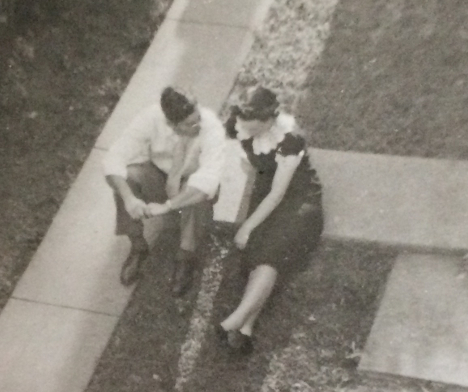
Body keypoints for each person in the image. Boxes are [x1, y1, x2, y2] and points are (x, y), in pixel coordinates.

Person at [216, 86, 323, 354]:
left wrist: (247, 227)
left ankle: (235, 320)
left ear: (270, 120)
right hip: (265, 192)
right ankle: (245, 328)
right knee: (258, 255)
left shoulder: (290, 139)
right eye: (241, 122)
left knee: (271, 253)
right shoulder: (238, 124)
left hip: (298, 201)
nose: (243, 128)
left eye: (252, 127)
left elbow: (278, 194)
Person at [103, 86, 225, 297]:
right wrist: (129, 198)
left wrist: (167, 207)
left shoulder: (211, 127)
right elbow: (113, 157)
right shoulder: (150, 118)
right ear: (171, 123)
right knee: (129, 177)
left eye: (197, 117)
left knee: (197, 190)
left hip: (191, 183)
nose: (198, 124)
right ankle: (138, 247)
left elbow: (207, 182)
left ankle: (185, 257)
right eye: (189, 124)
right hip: (161, 176)